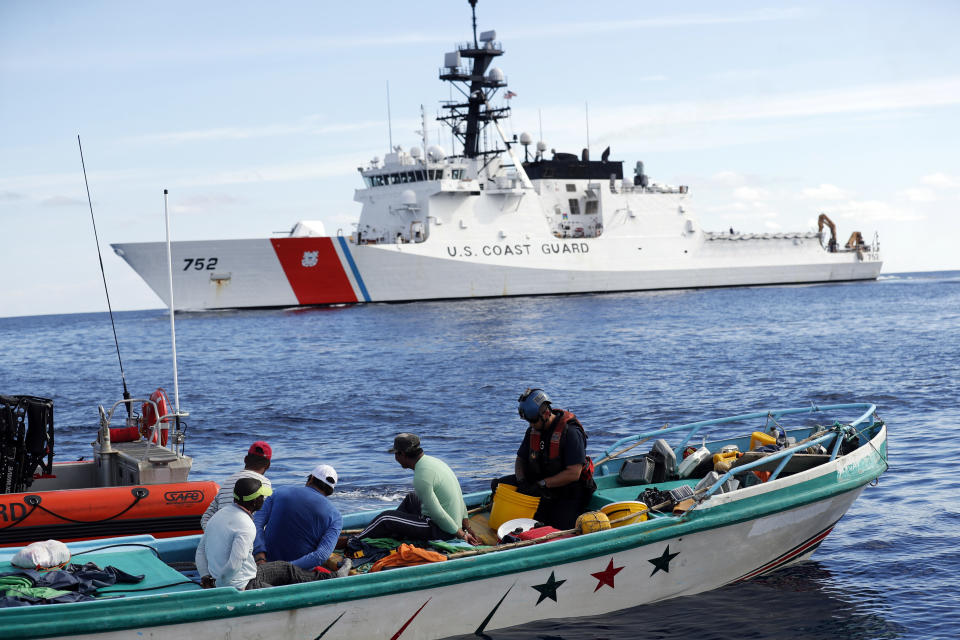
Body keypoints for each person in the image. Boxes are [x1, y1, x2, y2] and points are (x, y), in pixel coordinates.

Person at [196, 477, 341, 590]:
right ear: (254, 502)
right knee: (284, 595)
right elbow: (234, 565)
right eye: (261, 497)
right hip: (245, 585)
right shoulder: (247, 525)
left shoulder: (218, 515)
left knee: (285, 568)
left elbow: (201, 551)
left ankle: (331, 577)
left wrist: (205, 577)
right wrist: (221, 586)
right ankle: (334, 579)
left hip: (240, 575)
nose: (264, 500)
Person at [493, 388, 596, 530]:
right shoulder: (533, 430)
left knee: (558, 526)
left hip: (568, 490)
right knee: (498, 485)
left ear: (546, 413)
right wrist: (521, 481)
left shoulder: (570, 433)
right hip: (541, 483)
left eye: (533, 422)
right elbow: (520, 460)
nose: (531, 425)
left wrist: (542, 484)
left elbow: (574, 473)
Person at [356, 433, 479, 545]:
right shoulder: (435, 462)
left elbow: (437, 513)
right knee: (412, 498)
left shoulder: (421, 476)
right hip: (454, 523)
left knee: (386, 518)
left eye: (395, 454)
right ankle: (394, 532)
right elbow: (460, 498)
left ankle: (355, 540)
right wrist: (467, 527)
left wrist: (461, 534)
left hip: (442, 530)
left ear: (402, 454)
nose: (395, 458)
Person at [252, 464, 343, 570]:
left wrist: (260, 556)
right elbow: (321, 555)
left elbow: (256, 523)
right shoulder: (336, 517)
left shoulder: (279, 492)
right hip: (295, 573)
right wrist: (284, 569)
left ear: (311, 478)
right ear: (330, 491)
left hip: (264, 563)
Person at [201, 441, 272, 530]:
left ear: (245, 459)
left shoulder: (227, 481)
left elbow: (206, 517)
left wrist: (215, 535)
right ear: (268, 465)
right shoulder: (265, 484)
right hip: (249, 538)